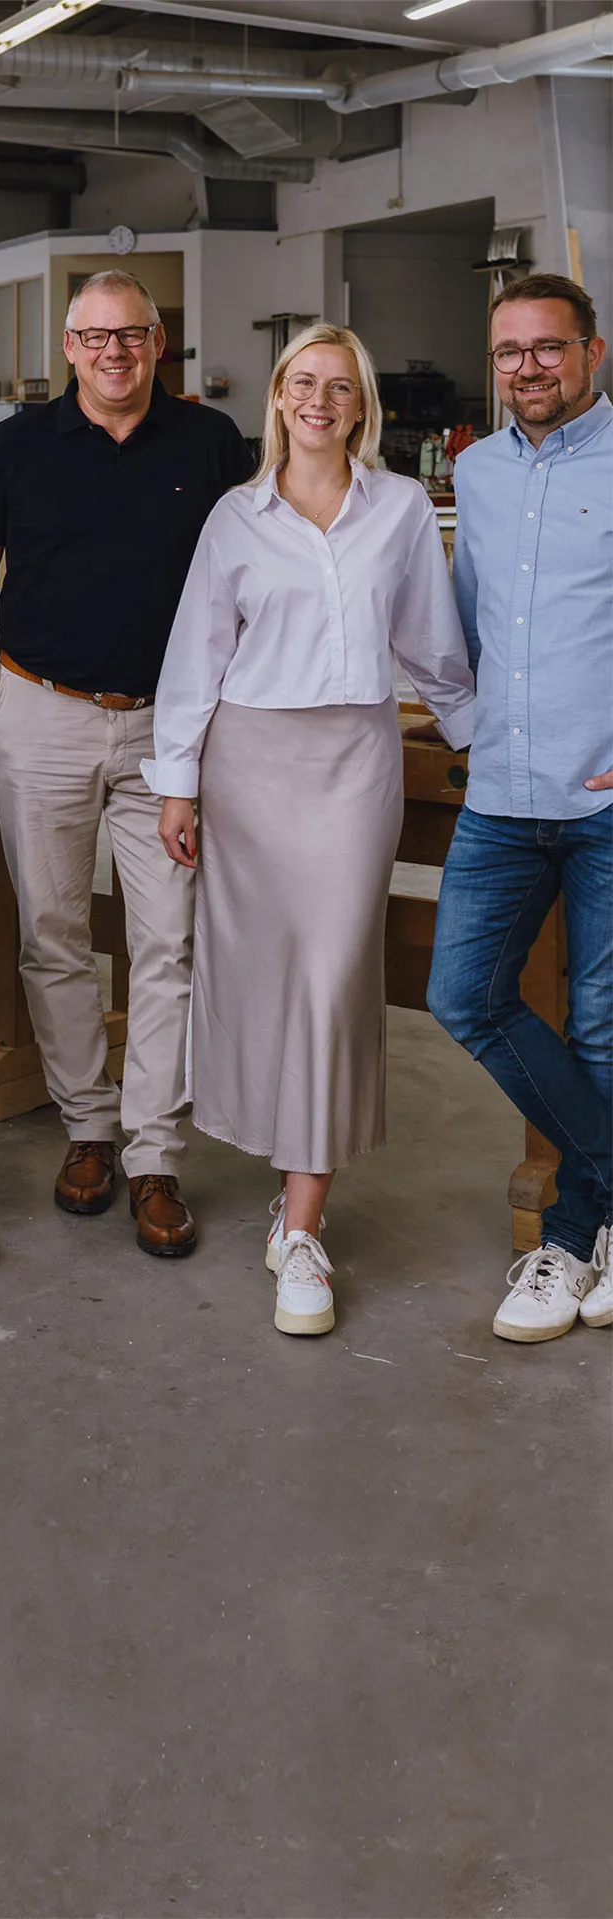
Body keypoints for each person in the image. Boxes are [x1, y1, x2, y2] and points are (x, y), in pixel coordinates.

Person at [147, 323, 475, 1334]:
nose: (319, 399)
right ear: (278, 399)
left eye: (340, 385)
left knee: (336, 978)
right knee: (258, 978)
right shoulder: (234, 519)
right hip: (249, 767)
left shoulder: (405, 509)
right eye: (302, 382)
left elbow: (433, 646)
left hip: (354, 767)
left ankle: (301, 1227)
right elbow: (195, 658)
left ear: (363, 404)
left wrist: (486, 745)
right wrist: (177, 782)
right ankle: (279, 1172)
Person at [0, 270, 253, 1257]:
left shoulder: (210, 443)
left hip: (169, 730)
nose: (113, 351)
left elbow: (250, 577)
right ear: (69, 349)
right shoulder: (19, 443)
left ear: (159, 344)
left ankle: (152, 1151)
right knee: (52, 932)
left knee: (169, 942)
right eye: (94, 336)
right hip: (42, 713)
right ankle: (88, 1123)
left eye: (131, 334)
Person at [426, 273, 612, 1343]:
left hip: (602, 800)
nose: (528, 368)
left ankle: (573, 1234)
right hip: (501, 792)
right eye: (510, 352)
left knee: (600, 1023)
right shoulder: (478, 472)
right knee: (462, 993)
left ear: (594, 352)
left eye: (548, 347)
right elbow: (465, 631)